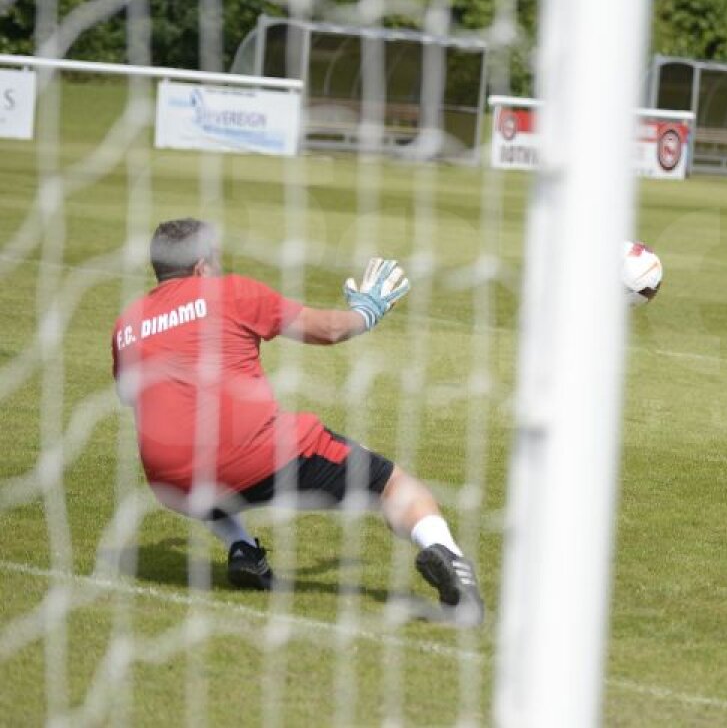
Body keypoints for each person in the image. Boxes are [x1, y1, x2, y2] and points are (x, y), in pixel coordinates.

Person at [111, 218, 483, 624]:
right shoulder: (230, 292)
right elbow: (324, 331)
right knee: (393, 484)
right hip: (256, 454)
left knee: (197, 463)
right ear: (201, 266)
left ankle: (244, 550)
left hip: (171, 480)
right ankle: (451, 561)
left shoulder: (127, 324)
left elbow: (130, 394)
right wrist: (365, 313)